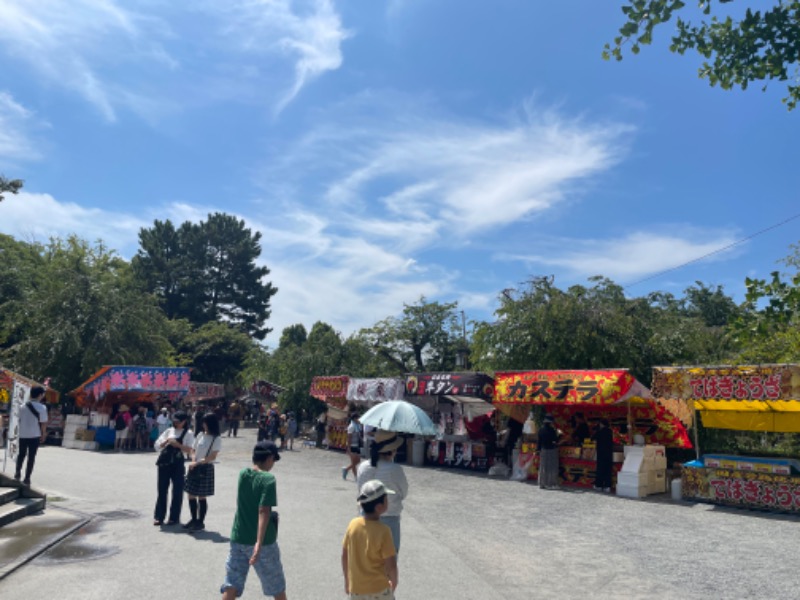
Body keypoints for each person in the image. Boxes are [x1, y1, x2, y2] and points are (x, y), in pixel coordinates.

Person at [220, 441, 287, 600]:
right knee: (276, 585)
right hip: (263, 542)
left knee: (232, 583)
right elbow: (263, 510)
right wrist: (258, 542)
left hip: (239, 536)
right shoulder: (268, 479)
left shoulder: (243, 474)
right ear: (269, 458)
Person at [342, 480, 398, 599]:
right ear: (379, 507)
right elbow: (391, 565)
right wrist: (394, 581)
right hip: (379, 589)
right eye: (386, 499)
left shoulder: (353, 525)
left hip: (356, 590)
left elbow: (344, 555)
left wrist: (347, 581)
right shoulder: (384, 531)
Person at [356, 430, 407, 554]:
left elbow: (360, 489)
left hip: (366, 517)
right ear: (392, 450)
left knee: (368, 560)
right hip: (390, 518)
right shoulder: (395, 469)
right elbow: (404, 492)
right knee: (388, 562)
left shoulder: (363, 467)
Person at [153, 411, 195, 526]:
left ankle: (174, 517)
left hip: (177, 463)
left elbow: (190, 450)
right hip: (164, 462)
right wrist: (166, 442)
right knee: (162, 489)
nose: (176, 423)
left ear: (184, 422)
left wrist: (178, 445)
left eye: (178, 421)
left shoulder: (189, 433)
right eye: (174, 421)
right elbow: (157, 445)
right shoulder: (169, 431)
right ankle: (159, 516)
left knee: (177, 490)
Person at [184, 413, 223, 531]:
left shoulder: (216, 438)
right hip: (194, 466)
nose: (203, 425)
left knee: (201, 496)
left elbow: (213, 456)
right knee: (190, 494)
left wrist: (199, 462)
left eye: (205, 422)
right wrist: (193, 460)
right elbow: (193, 450)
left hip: (205, 468)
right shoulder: (200, 434)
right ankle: (193, 519)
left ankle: (200, 521)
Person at [14, 385, 48, 486]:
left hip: (23, 434)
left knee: (21, 454)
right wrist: (43, 434)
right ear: (40, 395)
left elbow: (18, 419)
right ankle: (27, 478)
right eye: (42, 394)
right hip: (34, 435)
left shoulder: (22, 406)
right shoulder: (42, 407)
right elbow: (43, 423)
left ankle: (17, 473)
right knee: (31, 457)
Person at [537, 415, 561, 490]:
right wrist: (559, 434)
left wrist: (538, 449)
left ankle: (542, 483)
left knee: (543, 467)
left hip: (543, 450)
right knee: (552, 467)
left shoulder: (540, 430)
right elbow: (555, 440)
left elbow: (539, 441)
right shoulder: (552, 430)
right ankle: (551, 484)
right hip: (552, 450)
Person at [592, 418, 614, 492]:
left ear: (601, 424)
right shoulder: (610, 431)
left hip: (601, 453)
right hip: (609, 453)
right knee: (608, 469)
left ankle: (599, 485)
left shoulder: (599, 432)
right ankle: (607, 486)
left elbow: (593, 439)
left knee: (600, 469)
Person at [342, 414, 362, 480]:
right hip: (352, 445)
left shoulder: (358, 426)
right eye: (357, 418)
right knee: (353, 462)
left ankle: (346, 469)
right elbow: (349, 438)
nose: (359, 419)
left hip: (357, 445)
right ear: (354, 419)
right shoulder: (351, 426)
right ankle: (356, 477)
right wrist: (348, 448)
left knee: (358, 461)